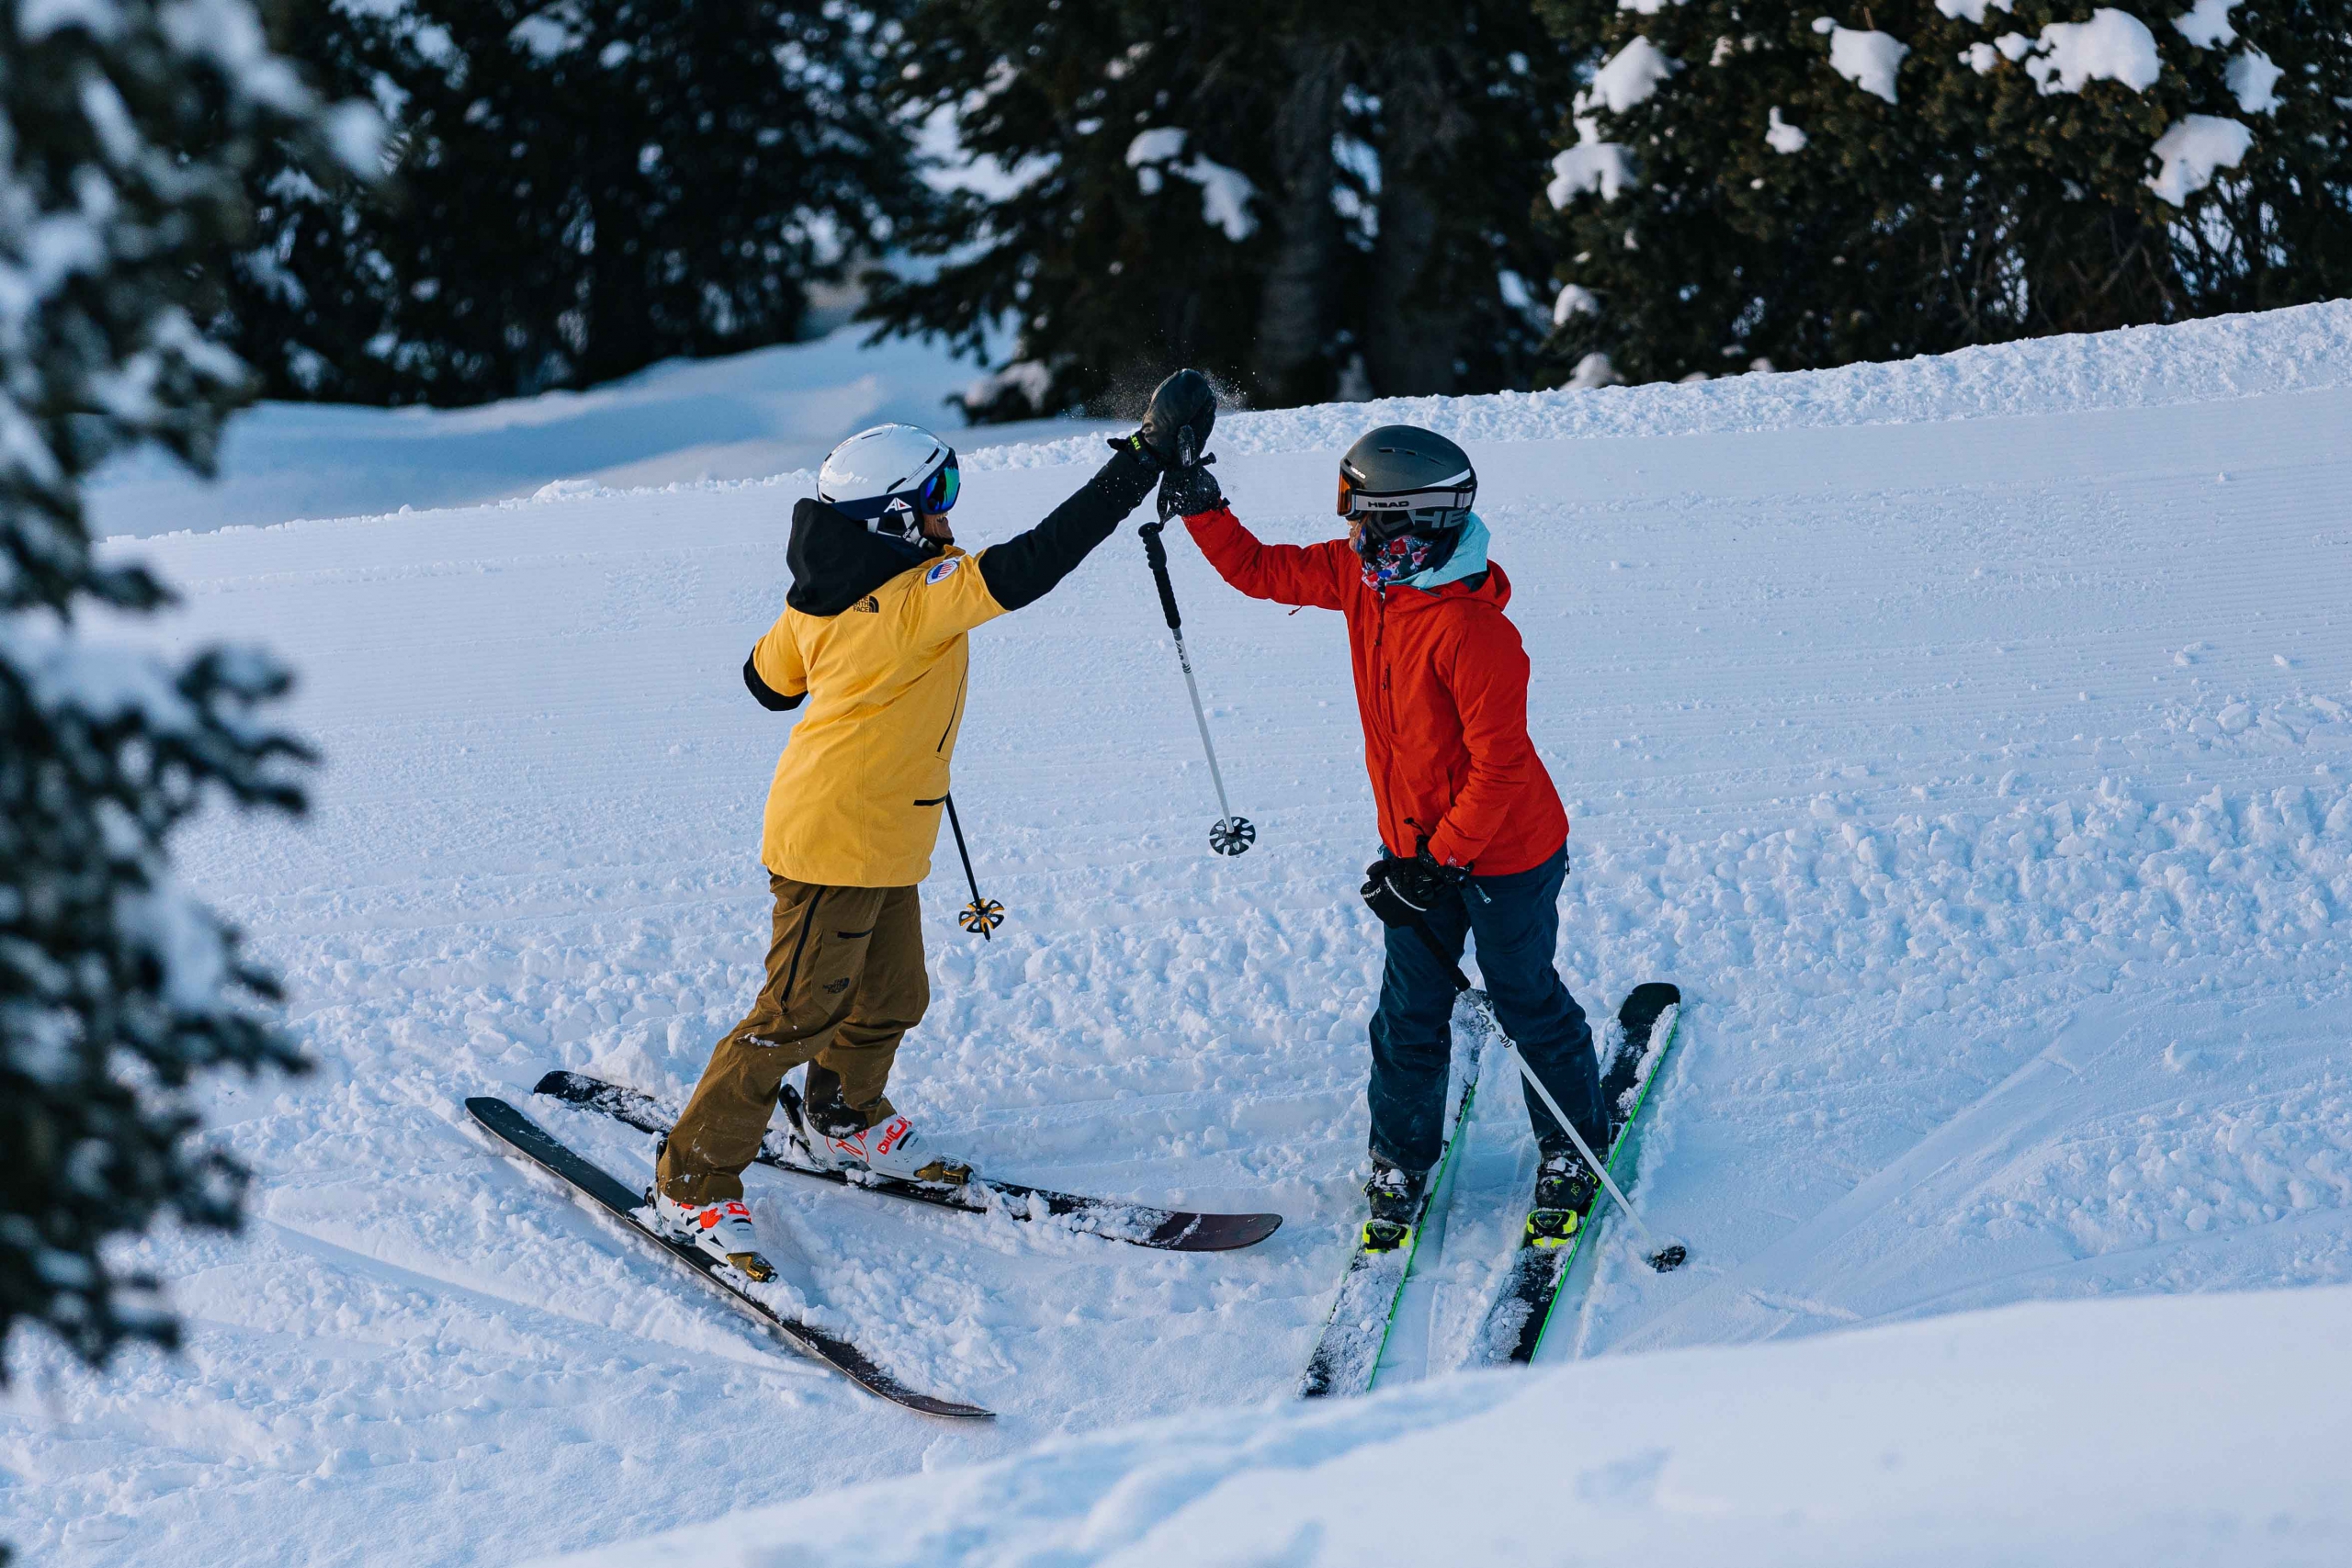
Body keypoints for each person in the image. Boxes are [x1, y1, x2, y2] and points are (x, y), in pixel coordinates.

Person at [651, 415, 1170, 1279]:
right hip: (832, 843)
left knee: (893, 993)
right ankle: (692, 1178)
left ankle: (843, 1116)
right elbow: (1041, 556)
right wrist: (1142, 463)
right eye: (939, 497)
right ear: (892, 519)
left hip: (883, 834)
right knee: (793, 1015)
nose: (950, 513)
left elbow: (765, 682)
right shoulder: (921, 596)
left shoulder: (823, 594)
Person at [1158, 416, 1611, 1245]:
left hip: (1506, 854)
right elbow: (1263, 572)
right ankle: (1400, 1157)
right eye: (1351, 517)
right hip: (1417, 853)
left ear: (1421, 520)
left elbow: (1501, 771)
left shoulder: (1475, 634)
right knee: (1407, 1011)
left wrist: (1437, 862)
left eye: (1369, 519)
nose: (1355, 534)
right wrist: (1203, 508)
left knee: (1523, 997)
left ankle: (1571, 1148)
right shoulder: (1366, 580)